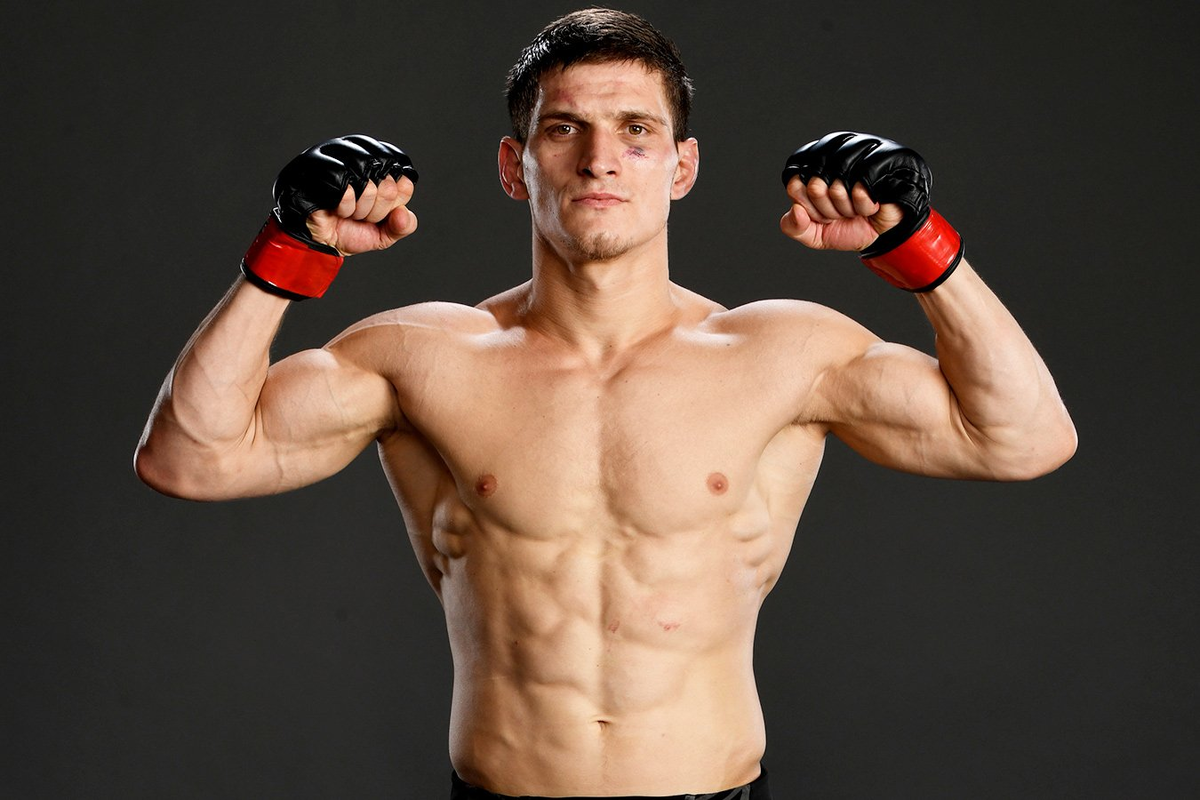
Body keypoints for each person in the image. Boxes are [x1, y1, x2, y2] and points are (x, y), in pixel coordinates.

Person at [134, 8, 1076, 799]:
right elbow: (190, 458)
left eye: (636, 131)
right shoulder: (423, 356)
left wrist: (915, 245)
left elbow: (1022, 438)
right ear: (515, 166)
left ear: (682, 167)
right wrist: (290, 251)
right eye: (563, 130)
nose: (600, 160)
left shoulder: (780, 352)